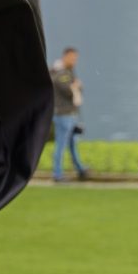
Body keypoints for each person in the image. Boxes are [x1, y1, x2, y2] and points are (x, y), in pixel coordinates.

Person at [47, 47, 90, 181]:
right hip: (63, 114)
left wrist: (76, 86)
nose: (74, 60)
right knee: (61, 143)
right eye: (72, 57)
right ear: (65, 56)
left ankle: (80, 168)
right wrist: (76, 86)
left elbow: (77, 87)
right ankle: (57, 174)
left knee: (71, 143)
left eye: (75, 58)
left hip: (68, 113)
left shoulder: (65, 71)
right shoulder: (62, 74)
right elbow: (68, 90)